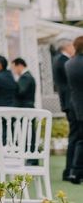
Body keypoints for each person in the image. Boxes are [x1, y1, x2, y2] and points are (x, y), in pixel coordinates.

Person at [54, 39, 78, 181]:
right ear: (68, 47)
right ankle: (70, 170)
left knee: (74, 137)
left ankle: (71, 169)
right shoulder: (64, 61)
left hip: (69, 103)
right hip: (72, 103)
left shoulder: (60, 60)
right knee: (75, 137)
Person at [65, 36, 83, 183]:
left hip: (76, 105)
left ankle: (74, 171)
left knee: (79, 140)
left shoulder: (70, 63)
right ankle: (76, 172)